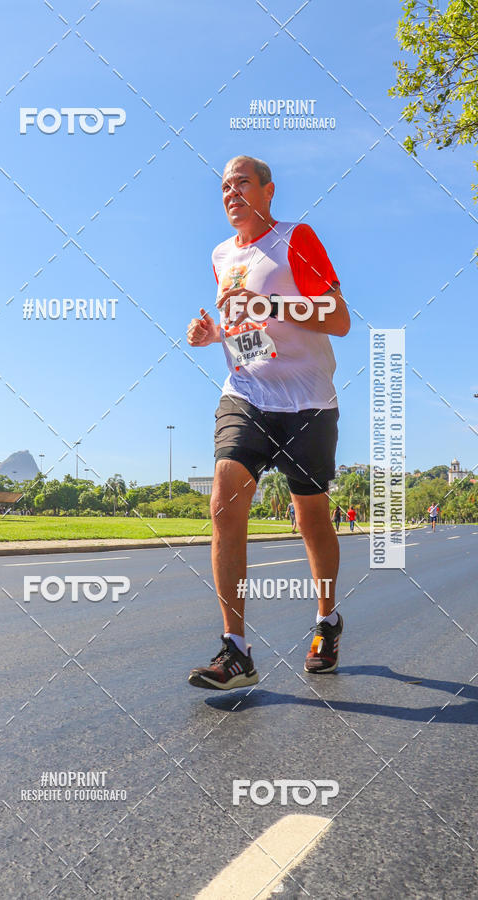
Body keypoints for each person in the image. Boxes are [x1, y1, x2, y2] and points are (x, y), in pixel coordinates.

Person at [186, 155, 350, 688]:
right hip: (247, 395)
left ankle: (326, 621)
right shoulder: (219, 255)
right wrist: (216, 336)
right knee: (224, 503)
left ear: (268, 190)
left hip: (307, 402)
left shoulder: (295, 239)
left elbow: (338, 318)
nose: (231, 193)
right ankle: (235, 649)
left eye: (242, 183)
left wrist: (273, 304)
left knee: (312, 520)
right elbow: (251, 334)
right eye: (224, 187)